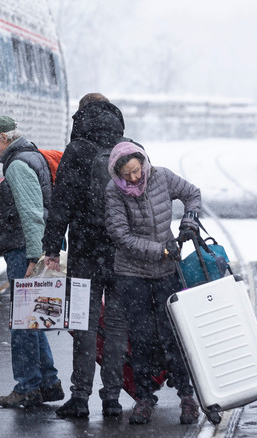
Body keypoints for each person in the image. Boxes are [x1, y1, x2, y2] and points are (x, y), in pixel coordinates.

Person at [42, 93, 131, 418]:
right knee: (118, 327)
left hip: (85, 254)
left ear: (81, 116)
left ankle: (80, 397)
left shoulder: (77, 150)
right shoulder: (128, 149)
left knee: (84, 325)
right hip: (124, 254)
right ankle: (112, 399)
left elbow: (60, 202)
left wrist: (52, 247)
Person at [104, 141, 201, 425]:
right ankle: (145, 398)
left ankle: (187, 397)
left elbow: (192, 193)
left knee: (174, 335)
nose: (133, 178)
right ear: (117, 173)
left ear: (144, 163)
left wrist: (190, 221)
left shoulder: (162, 176)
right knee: (142, 337)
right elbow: (120, 236)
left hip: (166, 272)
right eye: (127, 175)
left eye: (136, 171)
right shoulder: (113, 191)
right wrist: (161, 250)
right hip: (132, 274)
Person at [0, 115, 64, 408]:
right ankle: (48, 382)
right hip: (29, 249)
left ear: (2, 137)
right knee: (34, 318)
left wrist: (33, 259)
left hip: (23, 252)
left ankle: (27, 386)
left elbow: (31, 213)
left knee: (23, 323)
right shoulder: (31, 157)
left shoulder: (18, 165)